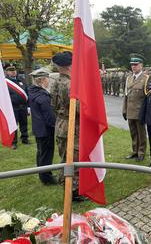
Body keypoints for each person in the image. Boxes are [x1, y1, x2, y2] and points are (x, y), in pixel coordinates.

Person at [50, 51, 84, 202]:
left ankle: (65, 184)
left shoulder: (56, 81)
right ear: (70, 65)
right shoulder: (69, 84)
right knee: (72, 159)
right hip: (71, 126)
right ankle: (73, 192)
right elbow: (77, 108)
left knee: (64, 158)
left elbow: (53, 105)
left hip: (61, 124)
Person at [28, 68, 57, 185]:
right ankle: (46, 178)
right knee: (46, 154)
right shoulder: (43, 96)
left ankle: (42, 175)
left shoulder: (32, 91)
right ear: (41, 81)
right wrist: (56, 126)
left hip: (38, 128)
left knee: (41, 153)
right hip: (45, 130)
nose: (48, 82)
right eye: (47, 79)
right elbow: (50, 117)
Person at [122, 53, 148, 161]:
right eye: (132, 65)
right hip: (130, 110)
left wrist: (145, 112)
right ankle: (134, 151)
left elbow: (147, 98)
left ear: (141, 65)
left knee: (141, 133)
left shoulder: (146, 78)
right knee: (133, 132)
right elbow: (126, 95)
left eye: (136, 65)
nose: (133, 67)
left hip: (139, 111)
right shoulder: (129, 78)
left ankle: (141, 152)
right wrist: (124, 109)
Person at [4, 63, 29, 149]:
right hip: (12, 107)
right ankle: (13, 142)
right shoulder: (5, 82)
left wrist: (28, 106)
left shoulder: (21, 79)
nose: (13, 72)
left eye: (14, 70)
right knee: (14, 125)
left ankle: (25, 138)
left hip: (23, 106)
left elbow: (27, 92)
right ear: (7, 72)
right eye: (11, 71)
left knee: (24, 123)